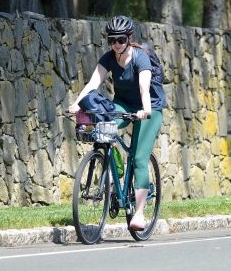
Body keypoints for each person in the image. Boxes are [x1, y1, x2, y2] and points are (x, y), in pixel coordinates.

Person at [69, 15, 167, 231]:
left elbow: (144, 86)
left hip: (149, 106)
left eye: (121, 40)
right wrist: (77, 103)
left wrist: (146, 109)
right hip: (123, 104)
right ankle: (115, 168)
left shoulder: (140, 57)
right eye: (112, 40)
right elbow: (94, 82)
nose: (116, 44)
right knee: (105, 129)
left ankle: (139, 213)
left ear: (129, 38)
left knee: (140, 158)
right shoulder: (109, 58)